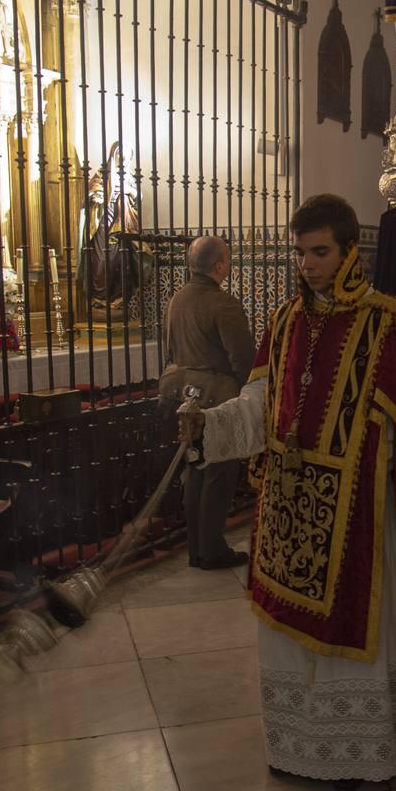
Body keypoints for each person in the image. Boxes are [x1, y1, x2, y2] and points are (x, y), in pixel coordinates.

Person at [178, 194, 396, 789]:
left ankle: (353, 752)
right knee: (283, 635)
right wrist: (212, 426)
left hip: (356, 512)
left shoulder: (390, 323)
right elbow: (258, 404)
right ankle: (296, 744)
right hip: (285, 509)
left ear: (352, 250)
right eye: (299, 252)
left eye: (320, 251)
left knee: (347, 634)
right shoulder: (284, 322)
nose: (307, 263)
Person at [160, 235, 255, 569]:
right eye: (227, 259)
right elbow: (243, 358)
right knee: (218, 472)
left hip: (180, 394)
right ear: (219, 266)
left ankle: (196, 549)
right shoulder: (223, 304)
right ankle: (212, 549)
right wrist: (250, 395)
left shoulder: (176, 299)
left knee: (194, 469)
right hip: (216, 398)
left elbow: (170, 349)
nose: (228, 264)